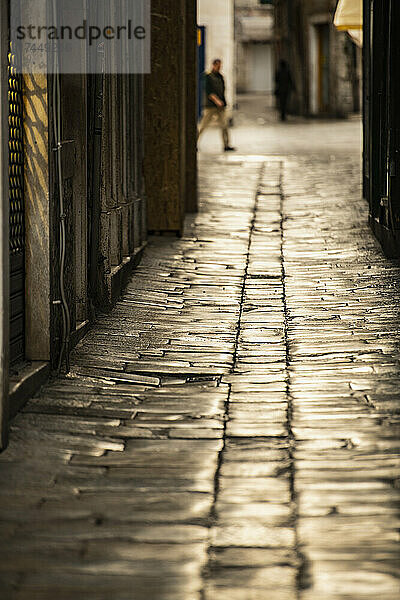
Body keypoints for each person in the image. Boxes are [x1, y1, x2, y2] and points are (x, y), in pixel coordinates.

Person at [198, 59, 235, 152]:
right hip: (210, 106)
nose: (219, 68)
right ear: (213, 65)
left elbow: (222, 91)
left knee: (224, 125)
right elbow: (209, 91)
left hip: (221, 106)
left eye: (220, 66)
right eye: (218, 66)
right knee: (203, 125)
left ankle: (226, 145)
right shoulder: (208, 76)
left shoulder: (220, 76)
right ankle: (193, 142)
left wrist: (223, 102)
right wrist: (217, 101)